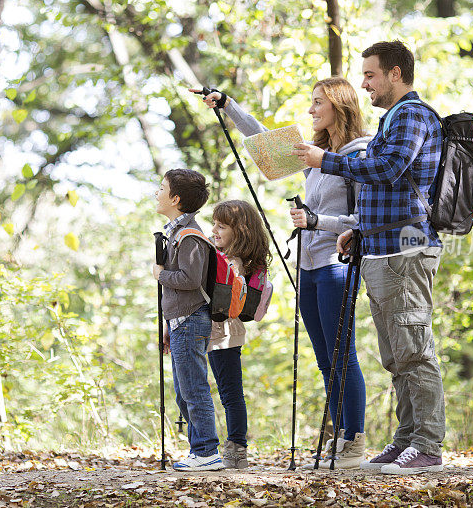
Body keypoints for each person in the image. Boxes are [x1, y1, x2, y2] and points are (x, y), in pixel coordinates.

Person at [191, 77, 370, 469]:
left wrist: (316, 220)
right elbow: (264, 140)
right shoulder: (315, 156)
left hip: (337, 267)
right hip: (308, 268)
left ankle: (354, 440)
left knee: (342, 354)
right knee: (325, 359)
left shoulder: (359, 155)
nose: (311, 110)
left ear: (339, 106)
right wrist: (227, 105)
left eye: (318, 102)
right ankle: (340, 435)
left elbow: (362, 221)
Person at [295, 40, 446, 475]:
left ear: (395, 73)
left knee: (414, 350)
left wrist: (328, 161)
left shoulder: (413, 115)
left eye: (371, 75)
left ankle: (428, 446)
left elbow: (388, 169)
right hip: (380, 247)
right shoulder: (391, 121)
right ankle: (406, 441)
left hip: (407, 248)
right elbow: (382, 190)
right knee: (396, 355)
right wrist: (357, 231)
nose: (365, 84)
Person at [153, 168, 224, 471]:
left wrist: (160, 275)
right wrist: (169, 325)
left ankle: (207, 451)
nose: (156, 193)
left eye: (161, 188)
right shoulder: (176, 232)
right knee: (185, 391)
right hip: (180, 322)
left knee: (194, 389)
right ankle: (200, 450)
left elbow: (190, 279)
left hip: (192, 320)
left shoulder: (189, 235)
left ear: (176, 198)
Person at [207, 200, 271, 469]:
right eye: (214, 224)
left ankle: (235, 447)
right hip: (223, 334)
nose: (214, 230)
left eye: (222, 226)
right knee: (228, 391)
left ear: (240, 231)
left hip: (222, 334)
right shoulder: (233, 259)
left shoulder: (232, 262)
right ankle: (232, 446)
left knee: (230, 392)